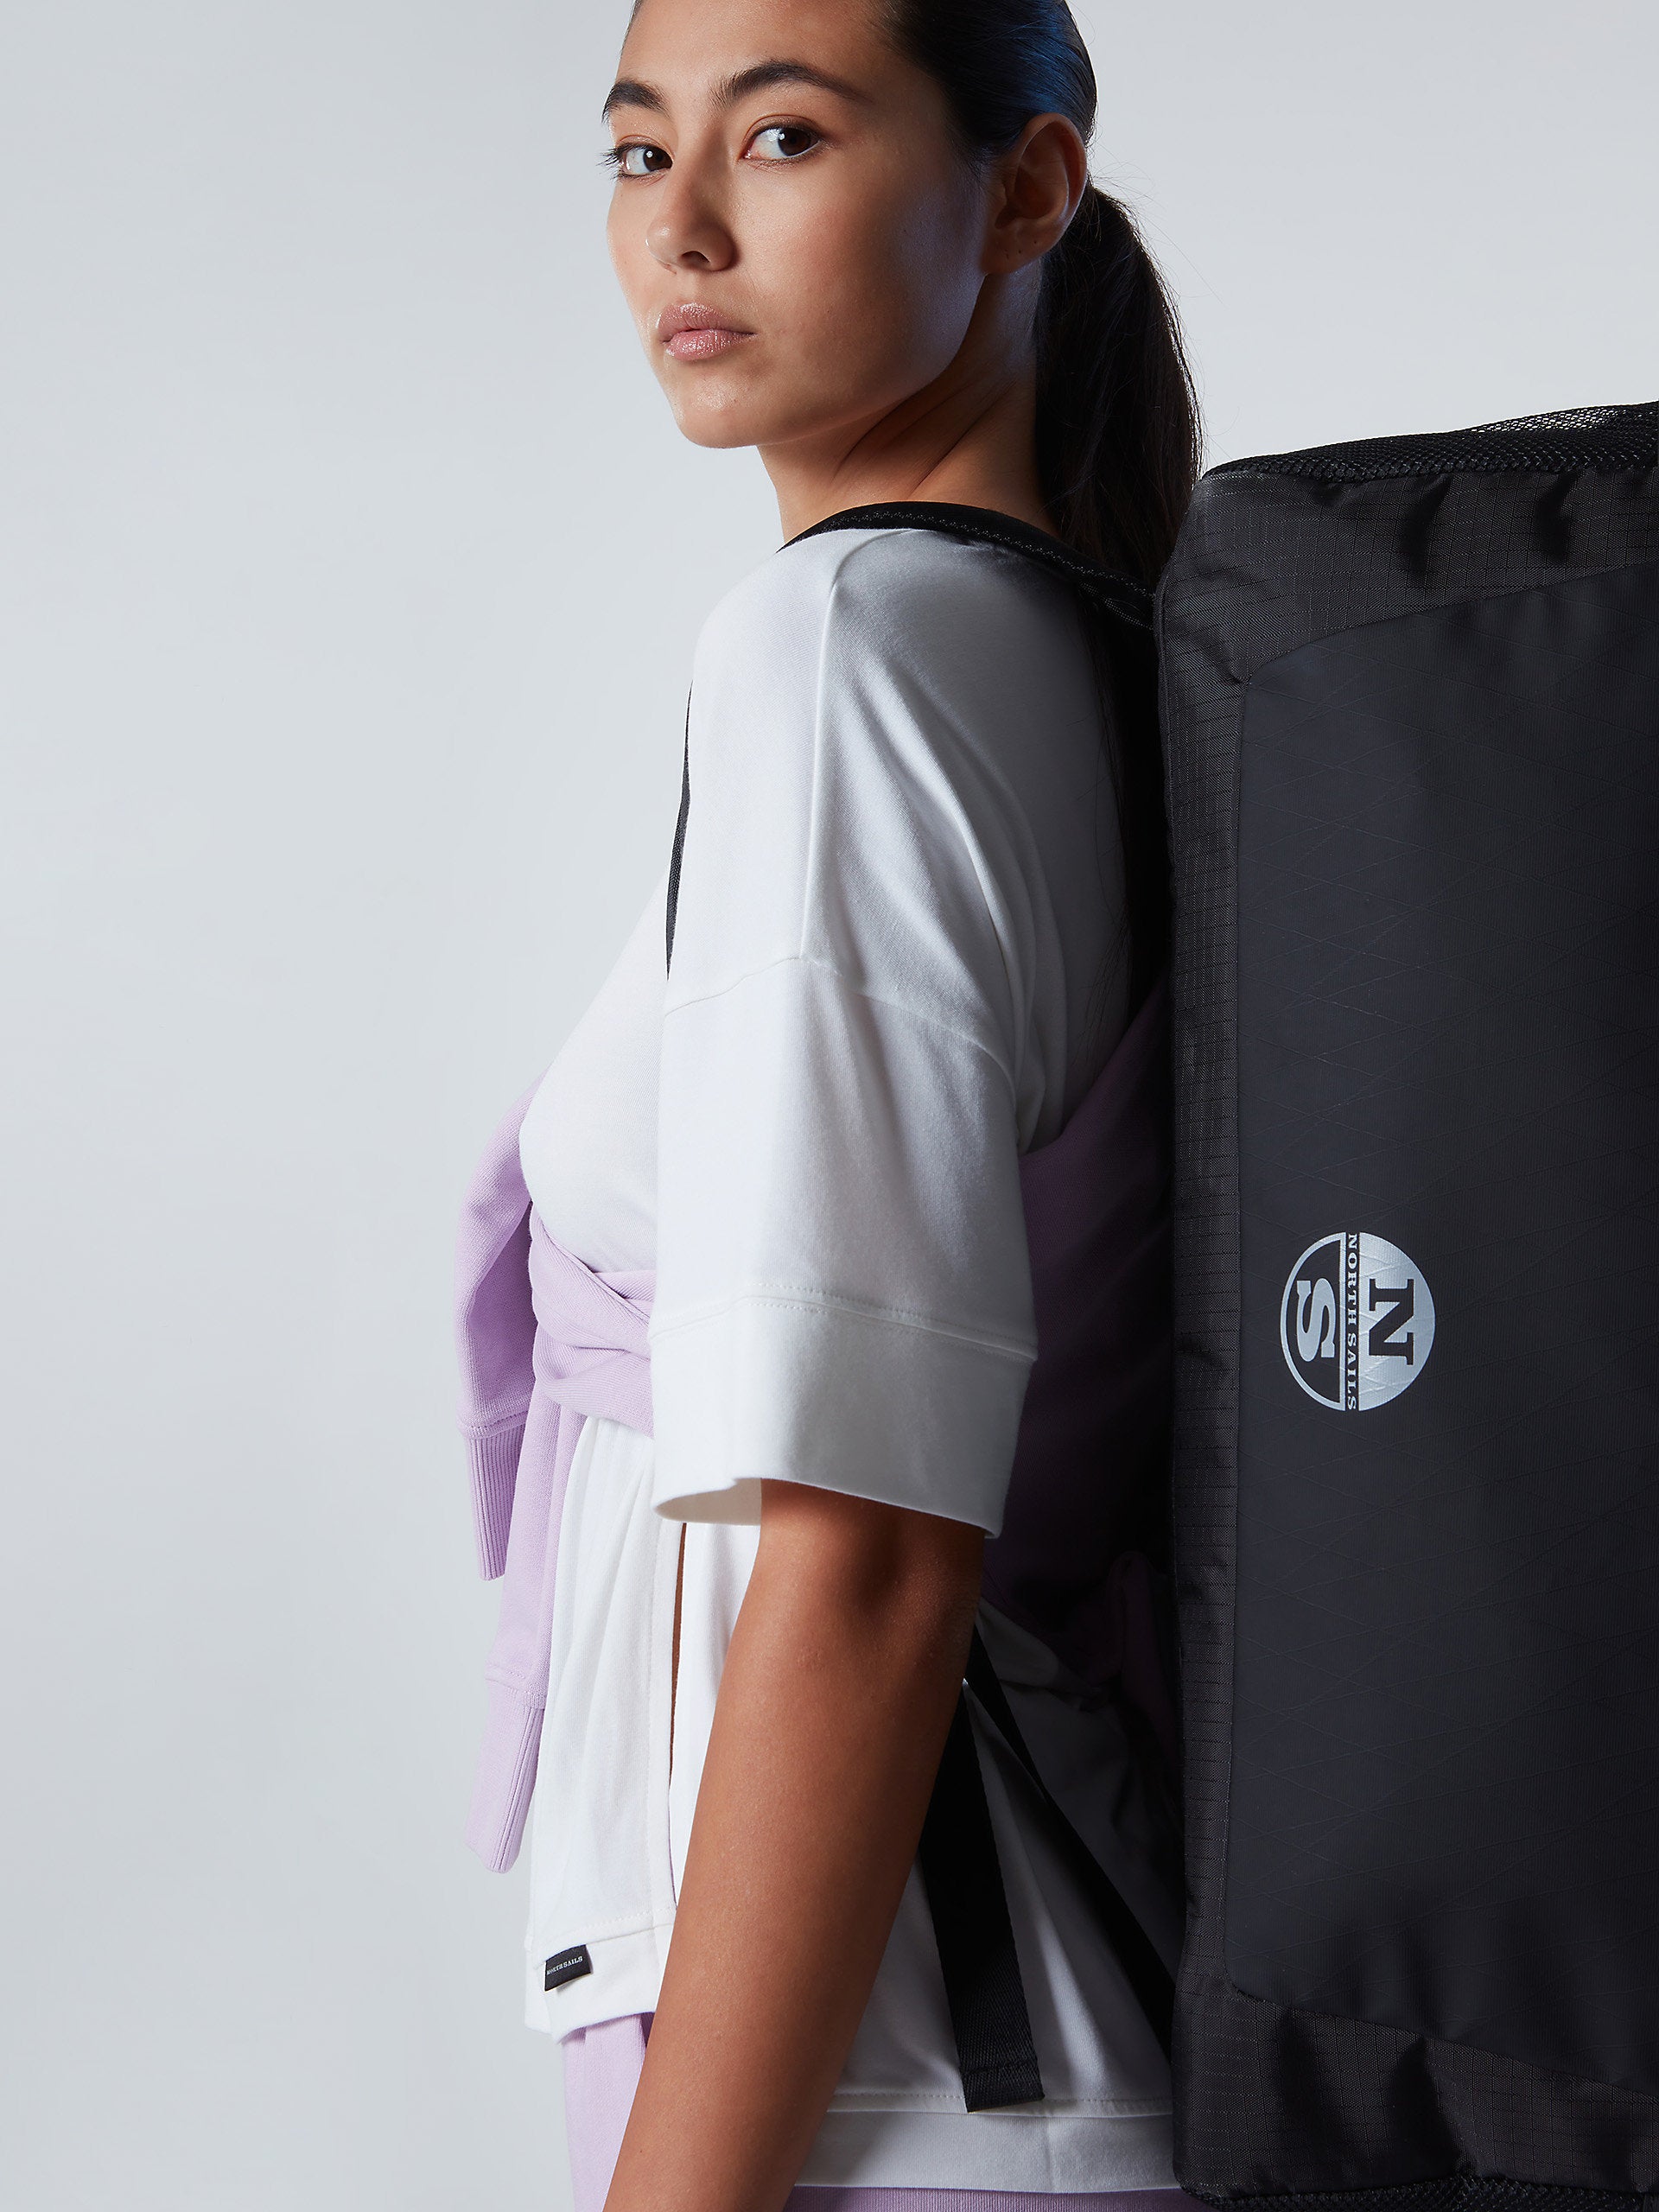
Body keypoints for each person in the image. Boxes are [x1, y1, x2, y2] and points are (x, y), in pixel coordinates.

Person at [454, 2, 1202, 2208]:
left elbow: (866, 1547)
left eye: (782, 138)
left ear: (1026, 189)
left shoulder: (848, 650)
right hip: (982, 2056)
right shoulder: (1077, 649)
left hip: (898, 2091)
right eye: (636, 151)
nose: (681, 227)